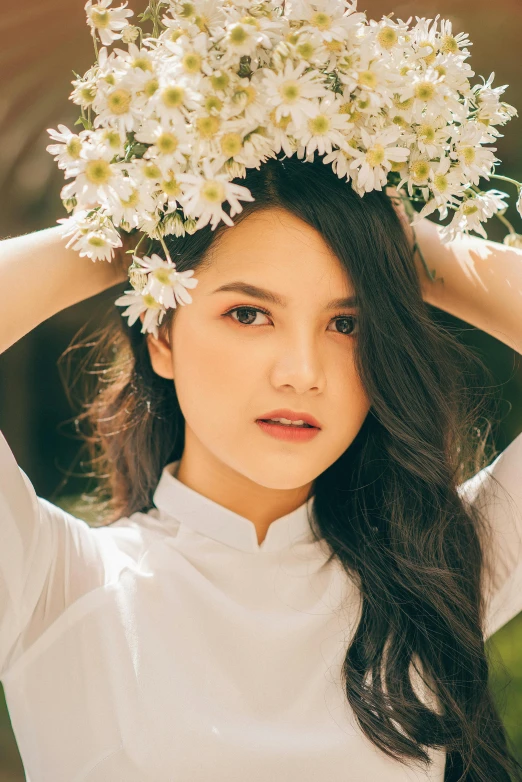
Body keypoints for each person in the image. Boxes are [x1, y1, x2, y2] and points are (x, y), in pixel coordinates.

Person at [0, 152, 521, 782]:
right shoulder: (55, 583)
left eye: (347, 323)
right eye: (249, 314)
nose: (302, 371)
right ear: (161, 336)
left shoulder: (439, 571)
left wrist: (402, 246)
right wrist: (130, 229)